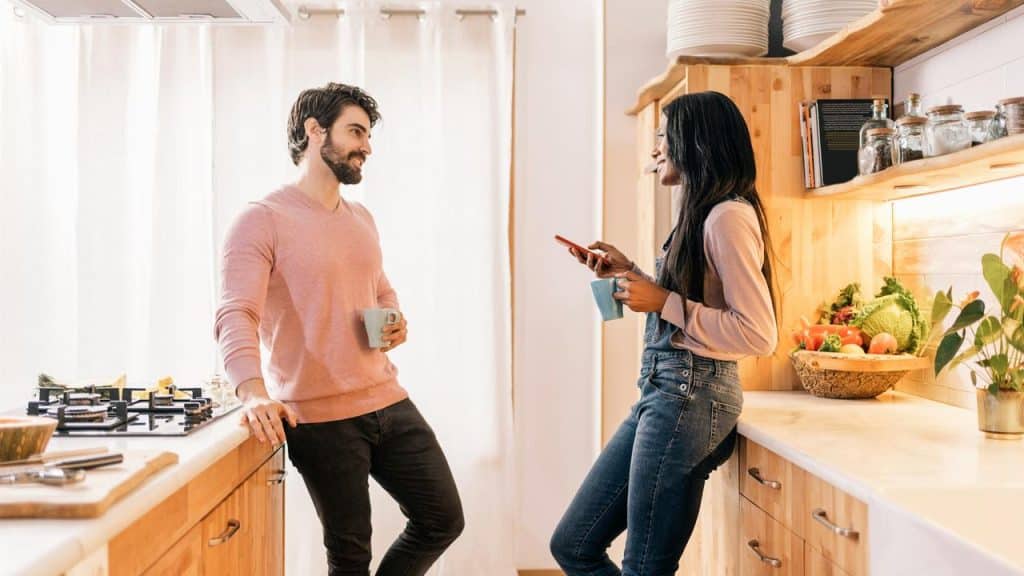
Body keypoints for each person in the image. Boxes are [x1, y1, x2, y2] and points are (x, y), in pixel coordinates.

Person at [215, 82, 464, 576]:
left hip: (387, 401)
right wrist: (252, 392)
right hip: (318, 419)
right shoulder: (261, 220)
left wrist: (394, 320)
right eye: (355, 131)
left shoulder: (360, 217)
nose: (366, 147)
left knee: (442, 519)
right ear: (314, 131)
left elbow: (380, 288)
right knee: (350, 556)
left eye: (368, 136)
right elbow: (234, 313)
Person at [550, 91, 778, 576]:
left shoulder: (727, 217)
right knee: (573, 544)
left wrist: (664, 302)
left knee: (643, 568)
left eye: (663, 137)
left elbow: (759, 333)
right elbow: (694, 301)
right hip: (667, 393)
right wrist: (629, 271)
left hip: (691, 397)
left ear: (696, 143)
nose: (656, 149)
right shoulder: (701, 213)